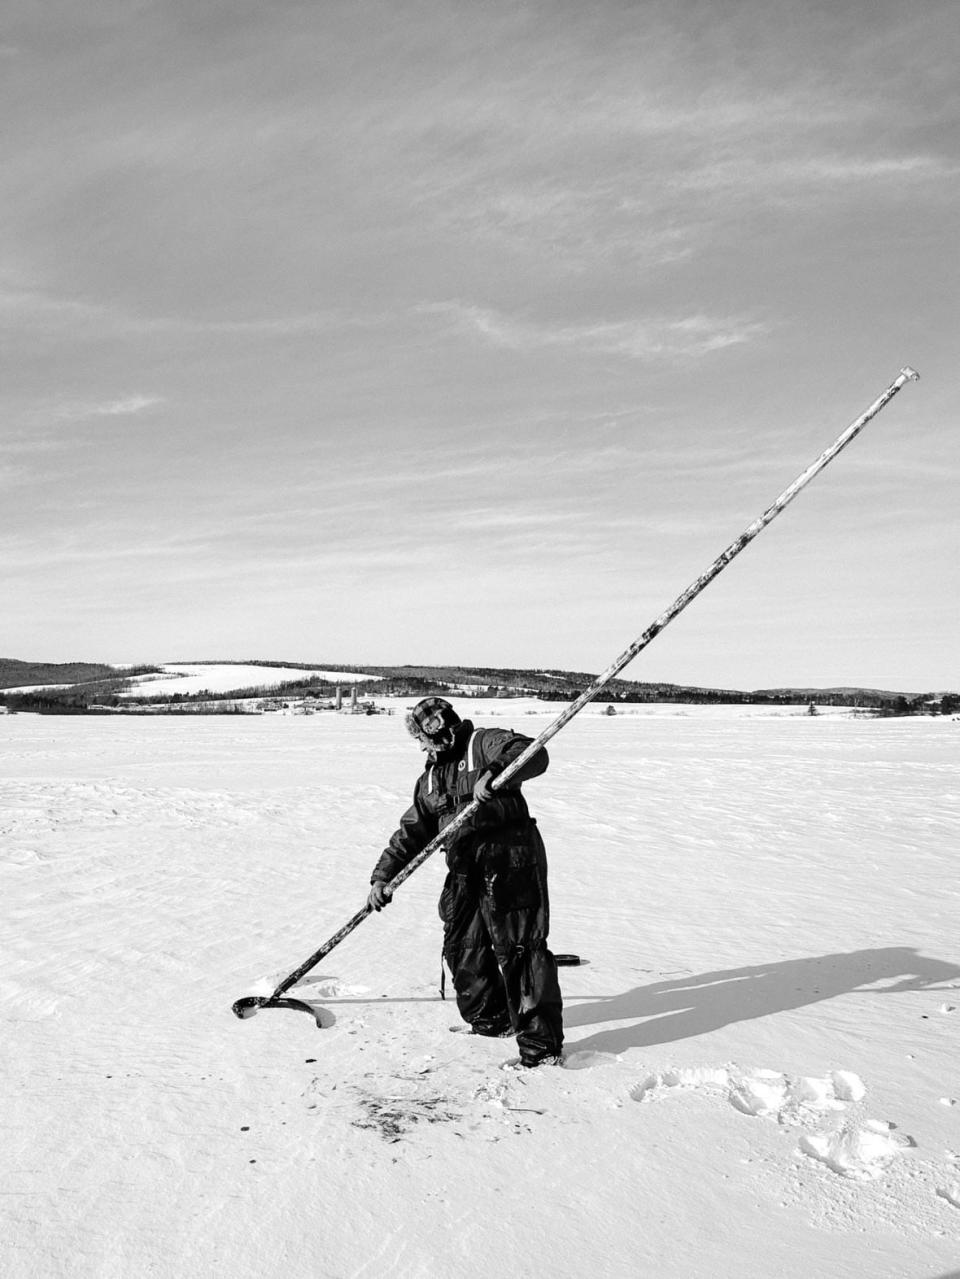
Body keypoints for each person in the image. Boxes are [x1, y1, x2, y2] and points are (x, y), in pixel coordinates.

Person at [367, 697, 564, 1068]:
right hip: (463, 865)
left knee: (521, 949)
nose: (421, 746)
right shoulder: (428, 780)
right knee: (463, 947)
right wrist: (383, 877)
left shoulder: (482, 743)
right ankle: (492, 1022)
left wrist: (496, 771)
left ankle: (541, 1046)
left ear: (437, 728)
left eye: (423, 738)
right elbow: (411, 831)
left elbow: (532, 753)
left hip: (509, 855)